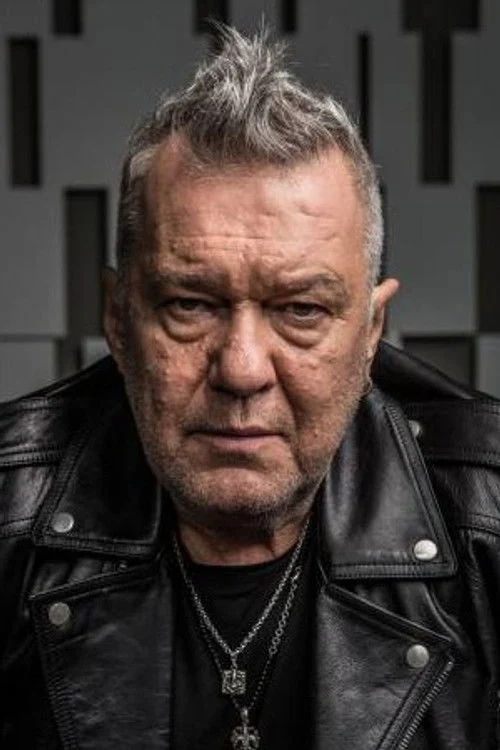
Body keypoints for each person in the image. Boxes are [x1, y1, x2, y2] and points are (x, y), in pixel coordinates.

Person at [1, 25, 500, 750]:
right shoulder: (11, 516)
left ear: (371, 331)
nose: (241, 370)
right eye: (190, 304)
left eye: (300, 311)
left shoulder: (486, 522)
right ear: (118, 318)